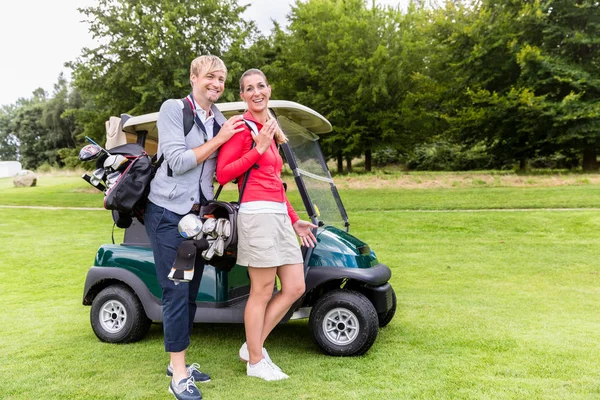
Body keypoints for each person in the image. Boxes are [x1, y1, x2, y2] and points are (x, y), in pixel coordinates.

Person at [145, 55, 245, 400]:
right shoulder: (174, 109)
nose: (217, 84)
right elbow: (178, 161)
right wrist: (220, 140)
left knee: (189, 292)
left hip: (197, 221)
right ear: (193, 77)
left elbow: (219, 171)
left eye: (222, 79)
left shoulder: (218, 119)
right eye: (211, 77)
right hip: (168, 215)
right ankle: (178, 376)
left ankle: (178, 364)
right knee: (175, 291)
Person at [216, 68, 317, 381]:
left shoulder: (270, 129)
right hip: (256, 215)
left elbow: (275, 181)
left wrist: (295, 219)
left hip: (277, 215)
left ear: (269, 89)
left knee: (295, 286)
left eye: (261, 86)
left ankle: (252, 346)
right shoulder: (243, 129)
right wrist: (257, 148)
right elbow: (223, 174)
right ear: (243, 96)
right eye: (249, 88)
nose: (256, 92)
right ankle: (256, 362)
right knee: (261, 290)